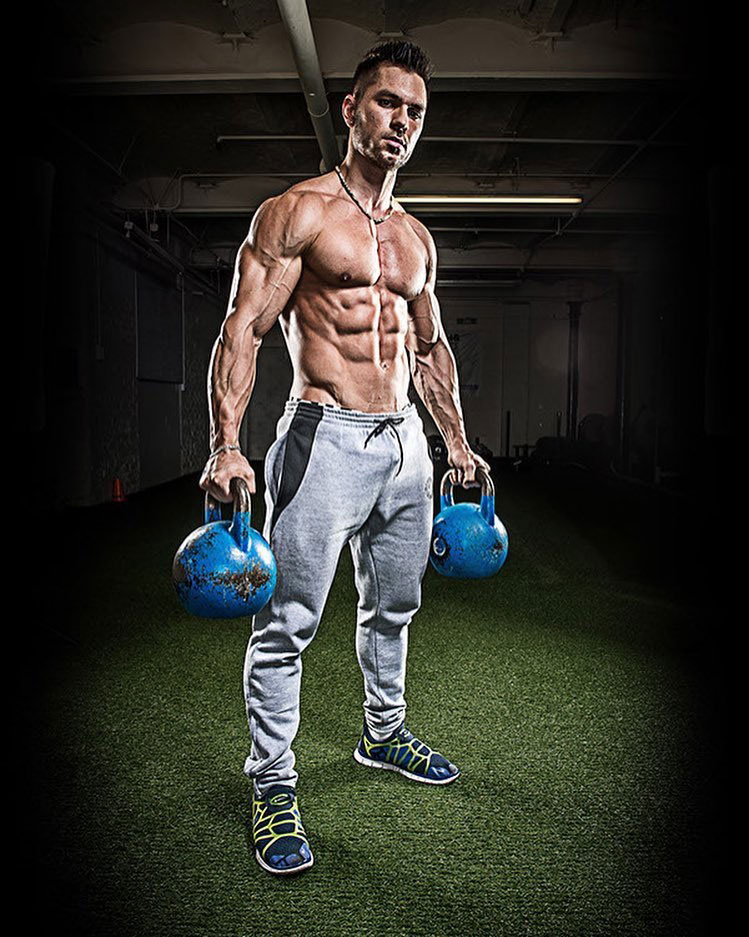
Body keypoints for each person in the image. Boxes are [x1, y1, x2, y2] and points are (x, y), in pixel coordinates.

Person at [200, 39, 490, 876]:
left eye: (416, 111)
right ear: (351, 108)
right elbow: (243, 331)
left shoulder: (414, 238)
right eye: (388, 103)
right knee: (288, 623)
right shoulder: (296, 214)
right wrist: (225, 443)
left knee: (394, 606)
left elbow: (430, 350)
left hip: (403, 447)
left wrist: (455, 442)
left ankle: (383, 731)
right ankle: (272, 782)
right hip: (319, 438)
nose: (402, 120)